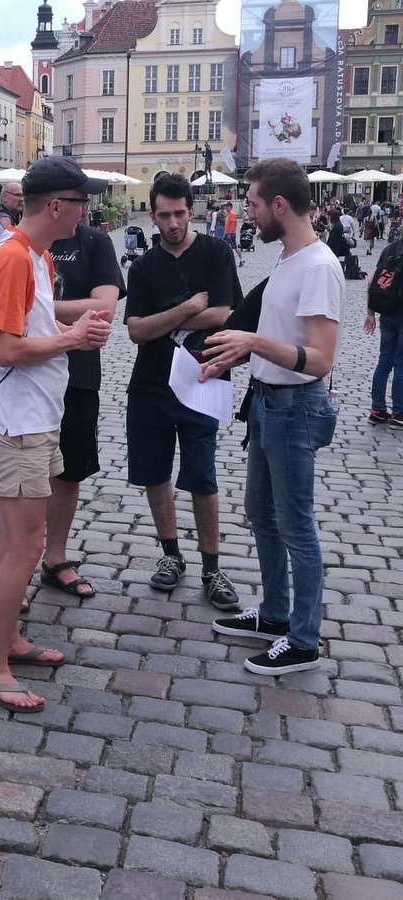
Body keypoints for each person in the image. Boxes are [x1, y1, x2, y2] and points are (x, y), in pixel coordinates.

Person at [0, 158, 111, 713]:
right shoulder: (12, 258)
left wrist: (69, 334)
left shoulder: (33, 254)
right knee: (24, 549)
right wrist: (72, 339)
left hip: (34, 418)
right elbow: (4, 350)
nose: (87, 213)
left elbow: (28, 332)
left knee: (16, 545)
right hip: (19, 422)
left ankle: (9, 643)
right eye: (81, 203)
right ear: (57, 206)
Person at [203, 158, 341, 676]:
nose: (249, 213)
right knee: (261, 513)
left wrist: (254, 341)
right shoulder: (289, 257)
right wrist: (235, 356)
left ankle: (304, 640)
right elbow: (280, 337)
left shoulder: (320, 267)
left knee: (297, 526)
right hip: (266, 401)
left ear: (280, 206)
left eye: (255, 204)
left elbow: (320, 360)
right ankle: (275, 614)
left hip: (294, 409)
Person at [124, 174, 242, 611]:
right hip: (150, 384)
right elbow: (137, 330)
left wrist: (164, 320)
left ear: (191, 211)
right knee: (155, 475)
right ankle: (171, 556)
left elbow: (226, 312)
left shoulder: (216, 253)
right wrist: (191, 308)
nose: (172, 223)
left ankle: (212, 567)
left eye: (180, 213)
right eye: (164, 215)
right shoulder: (143, 266)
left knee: (203, 478)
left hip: (204, 379)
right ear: (152, 215)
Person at [40, 208, 125, 601]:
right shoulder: (14, 246)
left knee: (69, 471)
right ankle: (14, 569)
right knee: (18, 478)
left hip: (79, 374)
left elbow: (104, 307)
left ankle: (54, 557)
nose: (84, 208)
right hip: (26, 378)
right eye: (77, 199)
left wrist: (32, 306)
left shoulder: (94, 241)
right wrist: (74, 311)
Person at [366, 237, 403, 427]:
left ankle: (377, 409)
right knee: (401, 365)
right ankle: (399, 412)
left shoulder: (390, 249)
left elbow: (372, 282)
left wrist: (370, 313)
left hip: (387, 313)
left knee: (384, 362)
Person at [224, 202, 244, 267]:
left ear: (230, 207)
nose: (226, 208)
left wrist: (229, 233)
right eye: (226, 207)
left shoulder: (232, 214)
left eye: (227, 207)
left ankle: (241, 259)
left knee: (234, 247)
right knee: (226, 247)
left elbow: (232, 224)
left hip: (231, 233)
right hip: (227, 233)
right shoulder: (228, 214)